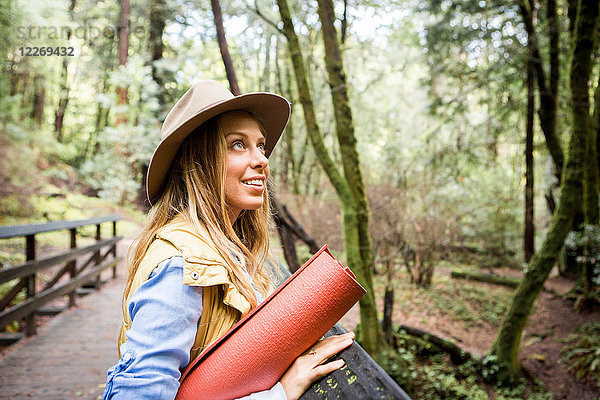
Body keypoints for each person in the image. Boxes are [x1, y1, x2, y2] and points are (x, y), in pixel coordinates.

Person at [102, 80, 354, 400]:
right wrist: (281, 393)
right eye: (238, 144)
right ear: (197, 162)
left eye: (260, 146)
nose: (262, 160)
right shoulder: (181, 265)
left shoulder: (230, 251)